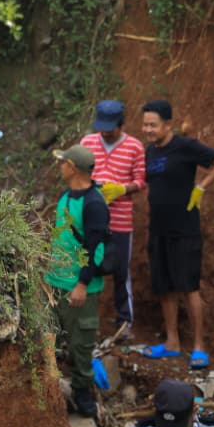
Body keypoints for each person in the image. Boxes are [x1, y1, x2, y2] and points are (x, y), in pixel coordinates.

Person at [139, 100, 214, 369]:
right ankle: (171, 342)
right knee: (164, 287)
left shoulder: (185, 146)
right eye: (145, 124)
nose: (147, 129)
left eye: (153, 125)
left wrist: (201, 187)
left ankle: (199, 347)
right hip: (158, 229)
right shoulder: (150, 152)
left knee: (188, 287)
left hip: (185, 230)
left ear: (168, 124)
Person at [44, 144, 111, 418]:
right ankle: (52, 391)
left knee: (81, 345)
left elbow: (97, 248)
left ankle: (83, 395)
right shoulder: (66, 195)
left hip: (78, 287)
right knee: (51, 340)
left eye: (62, 163)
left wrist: (82, 284)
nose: (59, 167)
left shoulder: (94, 203)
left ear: (72, 167)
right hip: (55, 283)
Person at [80, 99, 147, 336]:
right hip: (91, 218)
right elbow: (79, 173)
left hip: (120, 219)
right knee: (87, 267)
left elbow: (141, 180)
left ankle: (124, 323)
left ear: (121, 124)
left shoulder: (135, 147)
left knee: (120, 271)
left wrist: (121, 189)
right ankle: (88, 320)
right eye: (102, 128)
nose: (106, 133)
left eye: (111, 129)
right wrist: (93, 188)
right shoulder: (87, 142)